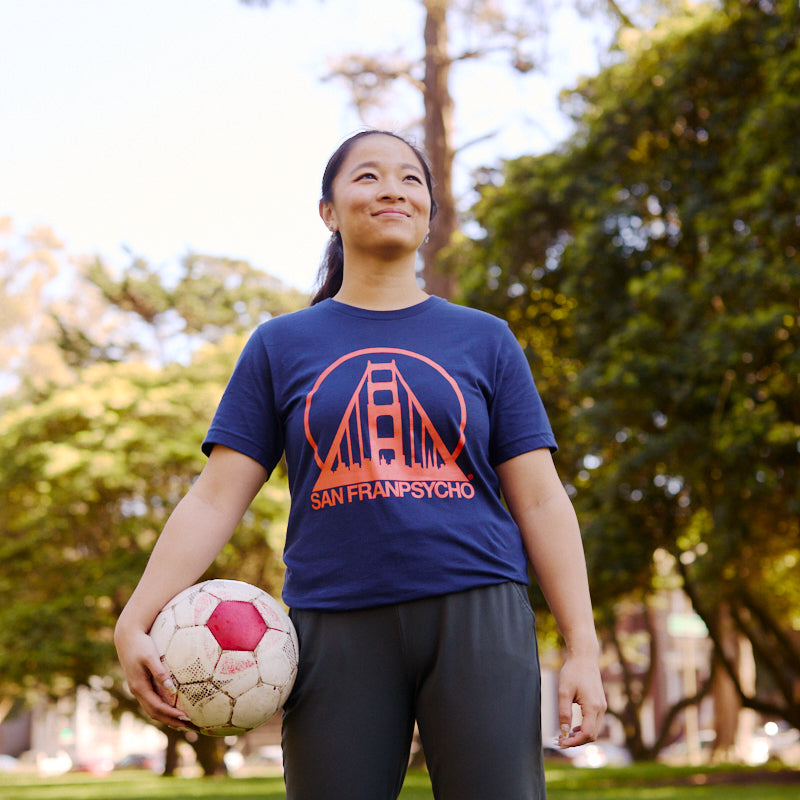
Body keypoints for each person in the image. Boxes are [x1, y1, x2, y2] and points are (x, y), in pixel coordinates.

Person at [115, 129, 606, 799]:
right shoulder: (280, 345)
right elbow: (213, 499)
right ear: (328, 211)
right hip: (333, 623)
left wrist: (583, 643)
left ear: (430, 212)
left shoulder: (485, 339)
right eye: (367, 176)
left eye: (410, 179)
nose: (392, 189)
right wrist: (135, 618)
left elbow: (543, 500)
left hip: (478, 614)